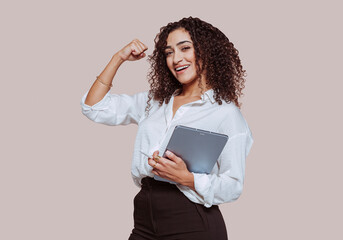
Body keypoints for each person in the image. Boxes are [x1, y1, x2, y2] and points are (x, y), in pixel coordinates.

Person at [80, 16, 253, 240]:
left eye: (185, 48)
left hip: (191, 220)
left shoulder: (226, 114)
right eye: (169, 52)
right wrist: (118, 58)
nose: (176, 59)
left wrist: (186, 177)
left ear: (207, 51)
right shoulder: (154, 101)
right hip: (145, 217)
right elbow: (93, 107)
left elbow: (232, 186)